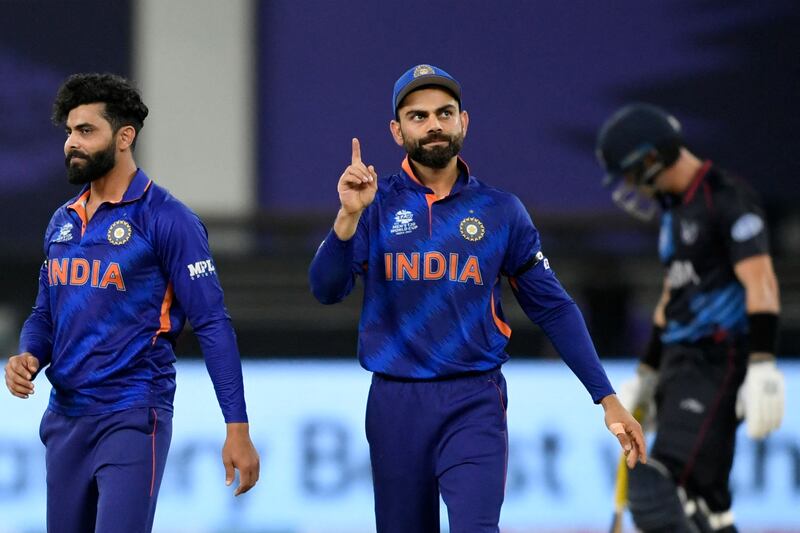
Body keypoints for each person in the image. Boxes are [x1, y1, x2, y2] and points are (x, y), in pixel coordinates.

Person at [308, 64, 646, 533]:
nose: (433, 125)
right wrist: (346, 219)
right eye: (418, 116)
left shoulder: (501, 211)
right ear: (396, 129)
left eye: (444, 113)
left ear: (463, 121)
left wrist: (606, 397)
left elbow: (552, 306)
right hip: (395, 404)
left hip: (474, 399)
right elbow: (326, 290)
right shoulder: (374, 204)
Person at [3, 73, 260, 533]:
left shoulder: (167, 219)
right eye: (69, 132)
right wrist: (28, 353)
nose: (71, 144)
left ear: (124, 137)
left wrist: (236, 426)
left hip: (132, 417)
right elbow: (45, 313)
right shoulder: (62, 221)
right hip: (64, 419)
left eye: (86, 131)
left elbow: (213, 324)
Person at [595, 103, 785, 533]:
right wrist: (647, 372)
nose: (630, 187)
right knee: (706, 507)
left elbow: (762, 282)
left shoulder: (726, 198)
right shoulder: (673, 209)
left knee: (656, 487)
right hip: (681, 366)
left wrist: (761, 364)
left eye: (628, 174)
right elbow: (672, 296)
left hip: (714, 360)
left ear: (649, 158)